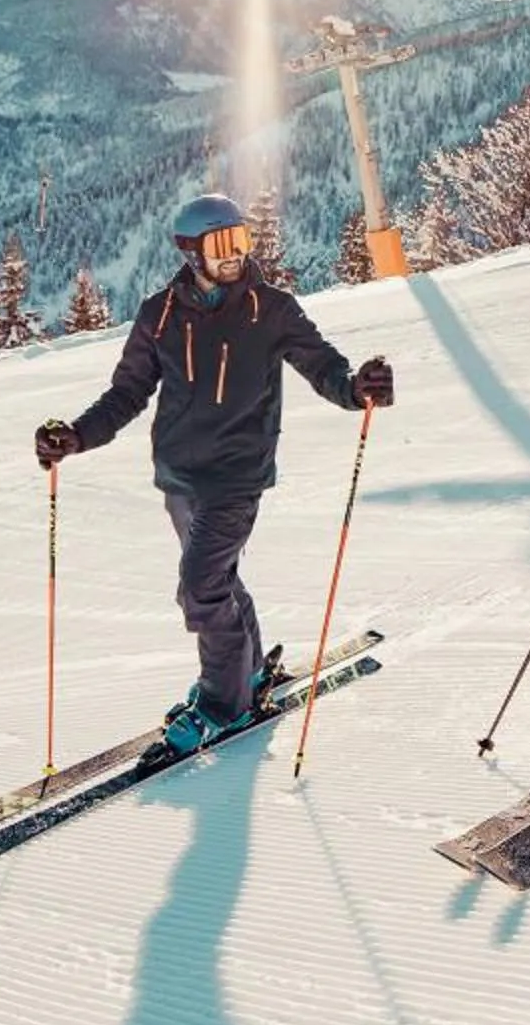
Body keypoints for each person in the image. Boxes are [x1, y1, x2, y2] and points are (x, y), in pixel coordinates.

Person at [35, 195, 394, 754]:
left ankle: (222, 704)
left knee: (200, 587)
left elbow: (322, 364)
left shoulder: (269, 308)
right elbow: (127, 393)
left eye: (242, 241)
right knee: (217, 577)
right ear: (191, 251)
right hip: (179, 476)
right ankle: (246, 675)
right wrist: (76, 436)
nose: (234, 256)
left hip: (238, 476)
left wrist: (356, 388)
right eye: (222, 245)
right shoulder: (159, 316)